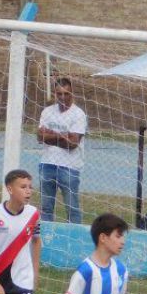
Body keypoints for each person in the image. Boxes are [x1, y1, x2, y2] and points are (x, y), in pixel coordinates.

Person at [37, 77, 87, 224]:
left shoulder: (79, 114)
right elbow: (40, 136)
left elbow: (72, 143)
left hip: (69, 167)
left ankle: (75, 239)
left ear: (72, 93)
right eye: (59, 94)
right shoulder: (47, 112)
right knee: (46, 208)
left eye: (66, 94)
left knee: (72, 208)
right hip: (47, 164)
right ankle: (46, 238)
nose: (63, 97)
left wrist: (51, 134)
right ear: (54, 93)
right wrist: (63, 136)